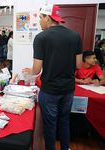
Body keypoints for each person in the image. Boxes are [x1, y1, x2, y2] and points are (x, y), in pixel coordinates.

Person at [22, 4, 83, 150]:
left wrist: (29, 70)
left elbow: (36, 69)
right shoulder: (75, 36)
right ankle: (65, 147)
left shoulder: (41, 38)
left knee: (50, 124)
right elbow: (79, 65)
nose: (39, 22)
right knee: (64, 121)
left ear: (48, 18)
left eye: (40, 18)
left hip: (49, 90)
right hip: (68, 89)